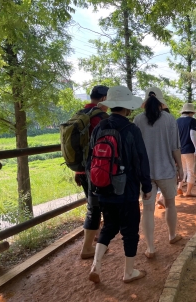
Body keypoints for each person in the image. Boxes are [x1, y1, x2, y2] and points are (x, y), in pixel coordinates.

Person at [87, 85, 152, 284]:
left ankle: (96, 265)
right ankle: (128, 272)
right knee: (130, 231)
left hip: (103, 186)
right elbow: (140, 160)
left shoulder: (100, 127)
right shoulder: (131, 129)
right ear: (126, 108)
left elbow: (90, 156)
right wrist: (146, 187)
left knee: (108, 226)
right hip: (127, 189)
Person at [133, 86, 184, 259]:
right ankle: (172, 236)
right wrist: (180, 168)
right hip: (167, 170)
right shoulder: (170, 120)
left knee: (147, 210)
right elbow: (175, 148)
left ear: (145, 102)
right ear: (161, 103)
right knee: (170, 204)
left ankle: (151, 248)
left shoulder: (137, 120)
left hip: (145, 174)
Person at [76, 85, 109, 260]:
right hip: (96, 170)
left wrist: (78, 168)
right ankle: (87, 248)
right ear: (104, 99)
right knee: (94, 208)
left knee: (93, 204)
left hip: (81, 169)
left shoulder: (80, 114)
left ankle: (95, 236)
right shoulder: (100, 118)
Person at [176, 103, 196, 198]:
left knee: (183, 169)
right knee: (190, 171)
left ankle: (179, 187)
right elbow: (192, 134)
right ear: (191, 112)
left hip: (179, 149)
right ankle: (188, 192)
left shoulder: (177, 121)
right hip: (189, 149)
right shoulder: (192, 121)